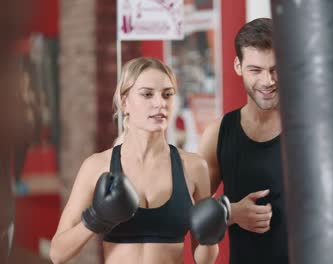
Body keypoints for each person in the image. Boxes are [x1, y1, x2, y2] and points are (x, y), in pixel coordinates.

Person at [49, 57, 219, 264]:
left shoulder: (193, 167)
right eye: (147, 94)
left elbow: (203, 260)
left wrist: (210, 235)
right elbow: (57, 253)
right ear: (124, 101)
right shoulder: (97, 166)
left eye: (167, 95)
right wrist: (96, 218)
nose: (160, 103)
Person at [198, 18, 289, 263]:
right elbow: (194, 212)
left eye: (275, 69)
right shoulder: (218, 133)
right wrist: (230, 212)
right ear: (238, 66)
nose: (268, 81)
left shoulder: (310, 129)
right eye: (256, 70)